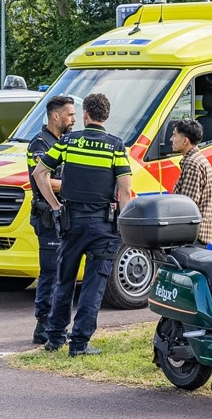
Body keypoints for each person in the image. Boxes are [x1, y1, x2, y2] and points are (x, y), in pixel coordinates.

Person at [32, 93, 133, 357]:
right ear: (106, 117)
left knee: (64, 281)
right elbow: (125, 192)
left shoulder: (67, 142)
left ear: (86, 114)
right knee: (93, 286)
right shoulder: (115, 147)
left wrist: (55, 206)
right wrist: (122, 225)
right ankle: (79, 344)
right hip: (103, 227)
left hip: (71, 223)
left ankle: (55, 338)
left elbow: (39, 173)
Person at [27, 95, 75, 344]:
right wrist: (75, 187)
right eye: (70, 114)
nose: (73, 119)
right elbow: (42, 178)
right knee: (50, 273)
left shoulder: (64, 142)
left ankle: (54, 324)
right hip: (47, 216)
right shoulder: (40, 144)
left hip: (63, 215)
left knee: (62, 273)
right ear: (55, 116)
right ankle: (42, 325)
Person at [170, 118, 212, 246]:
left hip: (192, 235)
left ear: (185, 141)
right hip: (196, 232)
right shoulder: (197, 159)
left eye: (174, 135)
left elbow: (188, 205)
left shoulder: (192, 163)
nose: (171, 139)